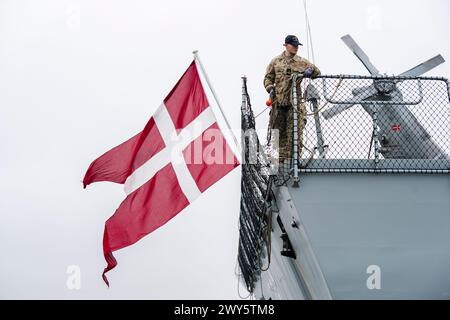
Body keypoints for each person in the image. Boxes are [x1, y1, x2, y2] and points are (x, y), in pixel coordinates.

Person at [264, 35, 321, 162]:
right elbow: (268, 78)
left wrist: (310, 71)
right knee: (278, 134)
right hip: (278, 104)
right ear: (286, 45)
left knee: (294, 134)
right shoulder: (276, 61)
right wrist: (270, 88)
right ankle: (279, 163)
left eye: (297, 46)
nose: (296, 48)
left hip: (294, 104)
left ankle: (294, 162)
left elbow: (317, 72)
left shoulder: (301, 61)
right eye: (293, 45)